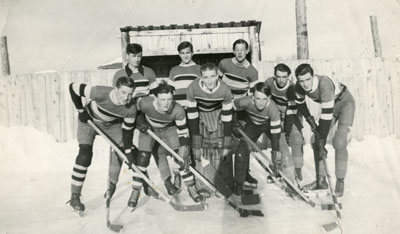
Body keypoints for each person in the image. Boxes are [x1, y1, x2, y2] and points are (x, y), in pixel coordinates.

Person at [127, 81, 205, 208]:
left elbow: (183, 131)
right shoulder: (146, 103)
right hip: (149, 129)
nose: (166, 103)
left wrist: (184, 147)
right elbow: (132, 107)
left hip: (169, 129)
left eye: (169, 99)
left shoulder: (178, 109)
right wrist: (139, 120)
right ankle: (135, 191)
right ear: (155, 98)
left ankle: (191, 188)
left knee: (181, 157)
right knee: (143, 158)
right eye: (163, 99)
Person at [67, 77, 137, 212]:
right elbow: (73, 87)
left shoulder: (131, 108)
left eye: (130, 94)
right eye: (123, 92)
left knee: (124, 152)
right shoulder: (100, 92)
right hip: (89, 121)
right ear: (116, 89)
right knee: (85, 155)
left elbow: (127, 133)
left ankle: (113, 184)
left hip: (112, 125)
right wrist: (81, 111)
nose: (126, 98)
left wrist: (128, 151)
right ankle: (75, 196)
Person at [294, 63, 355, 197]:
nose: (305, 84)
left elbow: (326, 117)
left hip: (345, 103)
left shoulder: (324, 85)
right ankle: (321, 181)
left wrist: (322, 140)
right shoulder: (298, 87)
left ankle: (340, 181)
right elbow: (301, 105)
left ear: (313, 76)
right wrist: (310, 121)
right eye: (301, 81)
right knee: (315, 140)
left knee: (339, 141)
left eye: (308, 80)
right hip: (330, 106)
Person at [233, 82, 296, 196]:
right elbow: (230, 107)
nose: (261, 103)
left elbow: (275, 135)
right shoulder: (244, 101)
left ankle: (291, 182)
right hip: (252, 125)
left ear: (269, 98)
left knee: (283, 150)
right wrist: (235, 124)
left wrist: (276, 155)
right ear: (252, 97)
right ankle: (238, 184)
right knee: (241, 152)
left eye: (264, 99)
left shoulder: (273, 110)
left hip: (269, 126)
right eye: (257, 99)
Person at [218, 39, 259, 187]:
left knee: (244, 143)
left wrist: (238, 110)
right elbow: (217, 83)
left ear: (247, 51)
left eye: (243, 49)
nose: (240, 52)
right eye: (237, 49)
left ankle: (244, 173)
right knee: (225, 140)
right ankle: (225, 175)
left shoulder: (252, 71)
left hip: (241, 110)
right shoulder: (224, 64)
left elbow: (252, 95)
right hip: (224, 106)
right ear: (233, 50)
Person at [186, 62, 234, 191]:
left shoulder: (225, 90)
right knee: (201, 150)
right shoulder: (193, 88)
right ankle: (203, 184)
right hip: (200, 115)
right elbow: (192, 115)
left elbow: (227, 117)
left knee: (220, 149)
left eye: (212, 76)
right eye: (206, 77)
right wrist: (196, 140)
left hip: (218, 114)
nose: (210, 81)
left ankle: (223, 184)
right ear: (200, 77)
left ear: (218, 75)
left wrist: (227, 141)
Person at [265, 63, 304, 181]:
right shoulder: (269, 83)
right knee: (277, 140)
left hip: (292, 114)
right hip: (277, 114)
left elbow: (291, 112)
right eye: (278, 76)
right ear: (274, 76)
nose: (281, 80)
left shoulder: (293, 88)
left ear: (289, 77)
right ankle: (277, 168)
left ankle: (297, 170)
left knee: (297, 139)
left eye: (284, 77)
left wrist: (287, 132)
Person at [168, 41, 201, 108]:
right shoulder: (174, 70)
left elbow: (202, 90)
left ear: (192, 53)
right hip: (178, 107)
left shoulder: (199, 68)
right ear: (179, 54)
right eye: (182, 53)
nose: (185, 56)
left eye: (188, 53)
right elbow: (171, 91)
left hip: (193, 106)